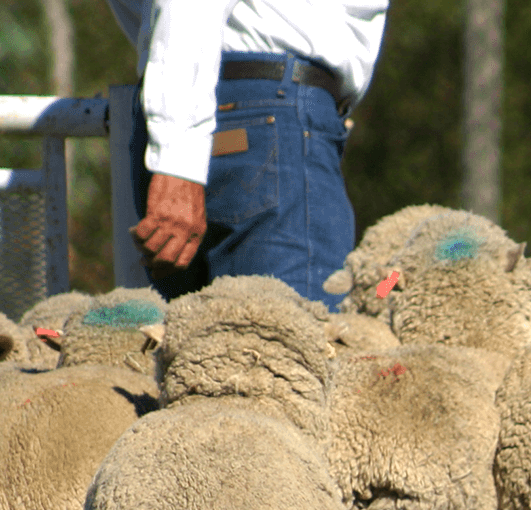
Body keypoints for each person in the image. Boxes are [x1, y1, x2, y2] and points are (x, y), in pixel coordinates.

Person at [106, 0, 387, 309]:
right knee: (290, 341)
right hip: (263, 110)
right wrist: (179, 160)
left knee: (201, 346)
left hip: (194, 108)